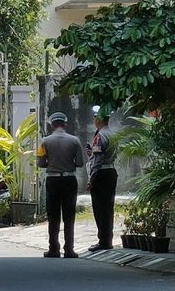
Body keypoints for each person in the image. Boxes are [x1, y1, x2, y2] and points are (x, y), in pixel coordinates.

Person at [37, 112, 85, 259]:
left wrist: (51, 163)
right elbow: (80, 163)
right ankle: (69, 249)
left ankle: (53, 248)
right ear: (65, 124)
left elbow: (40, 163)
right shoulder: (74, 141)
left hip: (53, 180)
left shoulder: (44, 142)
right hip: (69, 180)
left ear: (52, 125)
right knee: (69, 215)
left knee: (53, 215)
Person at [87, 107, 118, 252]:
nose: (94, 121)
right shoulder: (112, 134)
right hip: (111, 171)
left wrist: (91, 179)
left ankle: (103, 240)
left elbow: (98, 160)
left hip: (101, 173)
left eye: (95, 118)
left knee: (100, 208)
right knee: (108, 208)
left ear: (98, 119)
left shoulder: (100, 136)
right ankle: (107, 239)